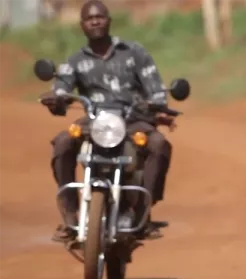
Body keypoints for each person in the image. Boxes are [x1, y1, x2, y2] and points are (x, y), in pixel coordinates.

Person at [42, 0, 174, 242]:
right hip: (95, 120)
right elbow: (61, 89)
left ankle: (143, 210)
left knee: (158, 145)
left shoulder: (134, 52)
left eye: (99, 17)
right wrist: (56, 99)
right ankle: (71, 215)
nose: (95, 21)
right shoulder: (74, 61)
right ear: (82, 25)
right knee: (62, 143)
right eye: (89, 18)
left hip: (132, 118)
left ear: (109, 21)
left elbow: (155, 87)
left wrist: (157, 104)